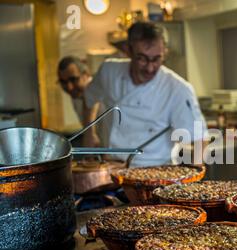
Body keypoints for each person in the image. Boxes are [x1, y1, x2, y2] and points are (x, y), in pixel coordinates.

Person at [84, 22, 207, 167]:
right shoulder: (109, 71)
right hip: (111, 169)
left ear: (164, 53)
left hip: (155, 173)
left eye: (156, 59)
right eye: (142, 58)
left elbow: (200, 140)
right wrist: (89, 133)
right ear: (128, 50)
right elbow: (89, 98)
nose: (150, 68)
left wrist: (193, 179)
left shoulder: (178, 89)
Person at [57, 56, 101, 147]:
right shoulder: (76, 96)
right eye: (63, 82)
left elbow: (92, 98)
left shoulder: (98, 88)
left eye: (73, 79)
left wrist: (90, 135)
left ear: (86, 74)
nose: (69, 87)